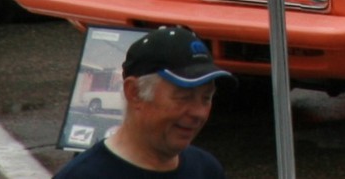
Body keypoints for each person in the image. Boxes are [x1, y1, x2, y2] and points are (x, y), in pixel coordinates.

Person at [54, 23, 228, 179]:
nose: (199, 112)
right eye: (184, 97)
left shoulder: (206, 169)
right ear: (135, 92)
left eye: (206, 98)